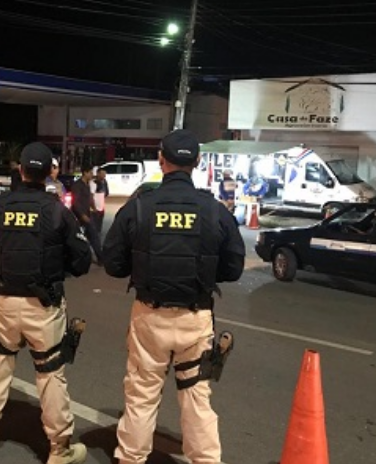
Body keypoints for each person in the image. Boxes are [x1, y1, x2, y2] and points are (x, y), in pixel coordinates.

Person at [102, 129, 246, 464]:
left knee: (141, 395)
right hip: (196, 318)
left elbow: (112, 264)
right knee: (197, 397)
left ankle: (131, 459)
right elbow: (234, 268)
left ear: (161, 161)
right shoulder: (214, 210)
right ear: (196, 162)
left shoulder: (139, 208)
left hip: (149, 317)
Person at [0, 142, 92, 464]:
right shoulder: (56, 210)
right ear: (48, 172)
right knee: (50, 374)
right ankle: (58, 449)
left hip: (6, 300)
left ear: (21, 171)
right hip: (44, 307)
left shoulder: (1, 207)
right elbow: (82, 260)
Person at [70, 166, 102, 264]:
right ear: (85, 173)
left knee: (93, 237)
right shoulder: (77, 186)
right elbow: (75, 202)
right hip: (79, 216)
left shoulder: (87, 185)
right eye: (90, 173)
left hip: (87, 214)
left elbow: (89, 199)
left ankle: (100, 258)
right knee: (85, 238)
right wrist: (82, 215)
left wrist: (94, 208)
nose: (92, 175)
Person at [89, 168, 109, 234]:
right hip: (94, 209)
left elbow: (106, 193)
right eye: (102, 174)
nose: (104, 175)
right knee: (93, 228)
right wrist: (94, 207)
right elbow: (91, 196)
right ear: (97, 174)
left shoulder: (104, 182)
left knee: (98, 228)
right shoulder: (93, 183)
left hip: (101, 208)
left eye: (104, 174)